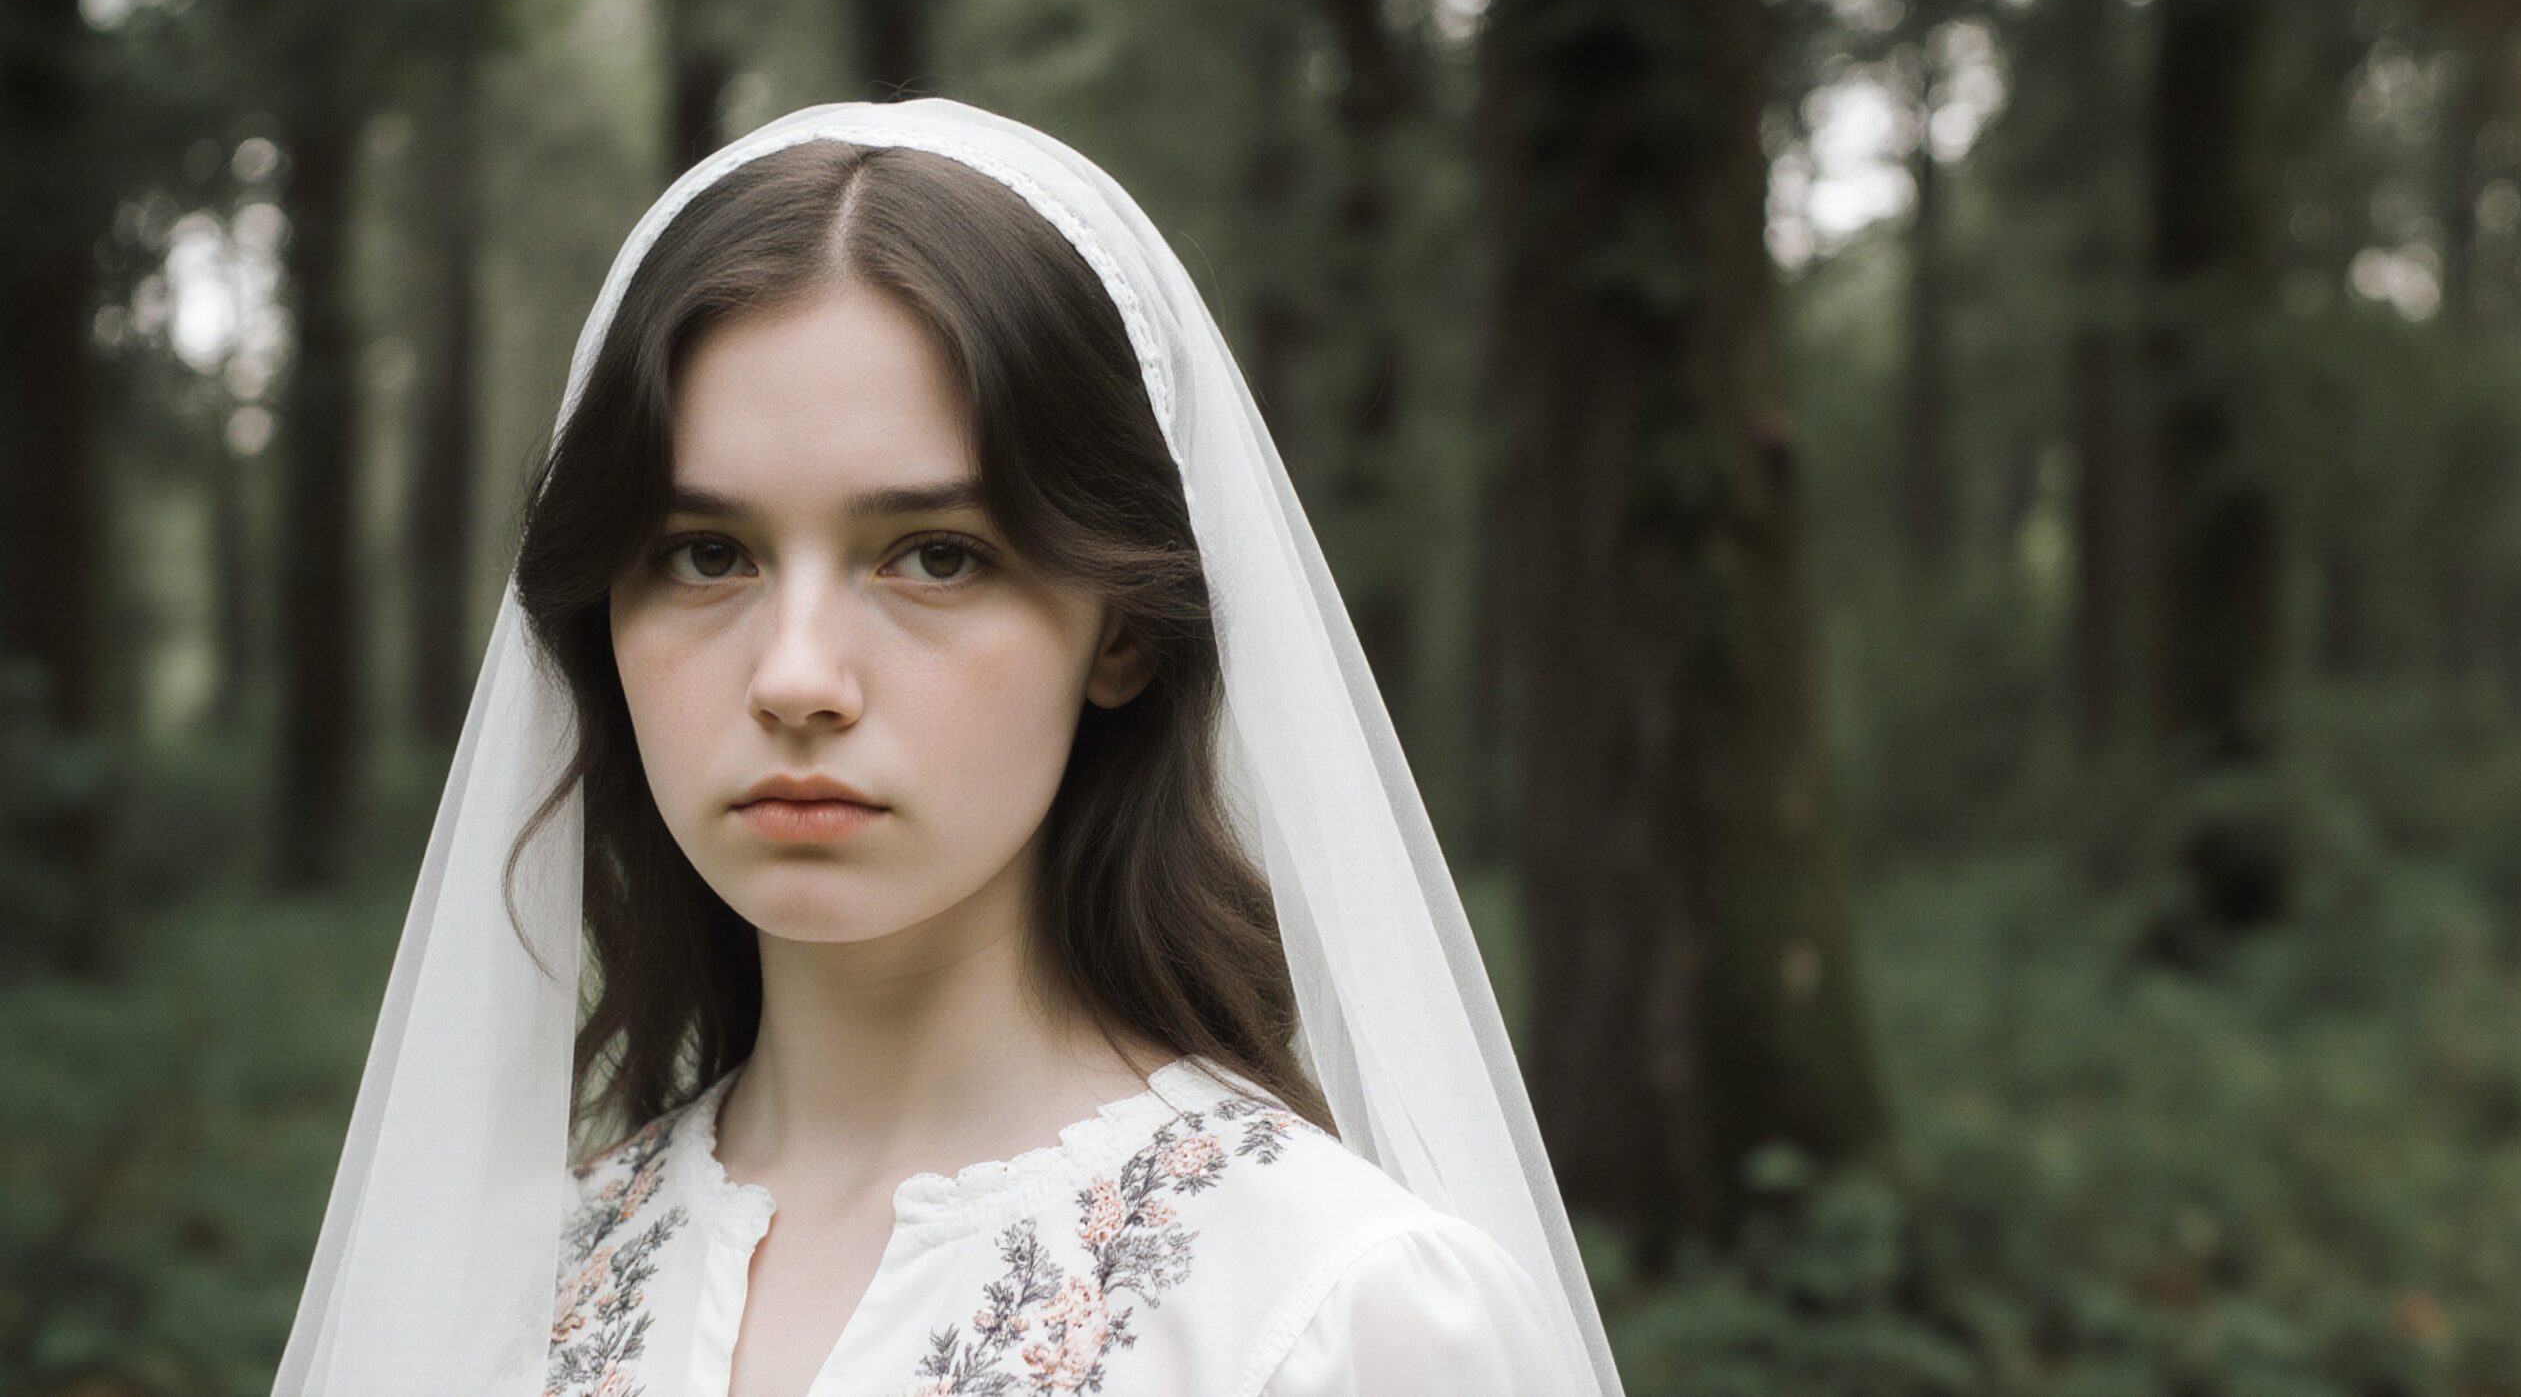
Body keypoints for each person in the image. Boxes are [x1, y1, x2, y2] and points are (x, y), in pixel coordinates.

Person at [271, 99, 1625, 1397]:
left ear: (1122, 639)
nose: (798, 678)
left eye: (935, 556)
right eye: (705, 554)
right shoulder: (503, 1300)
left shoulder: (1344, 1323)